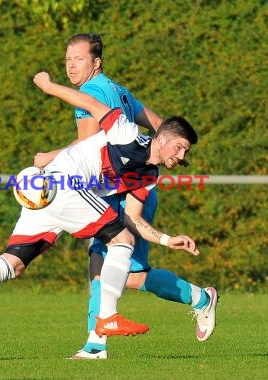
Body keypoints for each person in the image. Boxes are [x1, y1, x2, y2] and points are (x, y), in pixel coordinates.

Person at [0, 71, 204, 349]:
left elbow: (133, 218)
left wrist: (168, 240)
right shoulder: (126, 132)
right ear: (162, 138)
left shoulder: (148, 174)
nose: (181, 157)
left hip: (46, 193)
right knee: (122, 240)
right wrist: (49, 87)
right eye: (180, 147)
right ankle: (107, 317)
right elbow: (90, 103)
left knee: (14, 262)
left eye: (186, 152)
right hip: (65, 185)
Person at [34, 34, 218, 360]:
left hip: (125, 191)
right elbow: (160, 125)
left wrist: (49, 157)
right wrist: (166, 151)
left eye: (78, 59)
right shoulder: (119, 89)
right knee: (114, 270)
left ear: (96, 62)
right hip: (131, 189)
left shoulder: (90, 92)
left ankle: (99, 342)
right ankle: (100, 341)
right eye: (67, 59)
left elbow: (89, 146)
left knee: (111, 268)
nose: (71, 65)